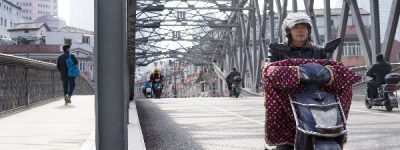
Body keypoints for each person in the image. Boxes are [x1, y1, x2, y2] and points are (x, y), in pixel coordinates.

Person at [265, 12, 352, 150]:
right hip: (289, 97)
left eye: (304, 27)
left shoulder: (319, 51)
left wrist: (331, 73)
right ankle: (285, 142)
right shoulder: (277, 51)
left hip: (316, 96)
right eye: (296, 27)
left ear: (309, 31)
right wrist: (282, 72)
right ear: (287, 32)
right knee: (284, 145)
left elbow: (330, 66)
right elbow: (268, 70)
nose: (300, 30)